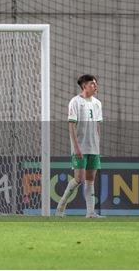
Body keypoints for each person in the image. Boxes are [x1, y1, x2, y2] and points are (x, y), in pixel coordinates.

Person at [56, 74, 104, 218]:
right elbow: (71, 126)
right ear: (84, 86)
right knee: (79, 179)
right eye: (92, 84)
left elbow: (97, 125)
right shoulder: (75, 102)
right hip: (80, 147)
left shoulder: (97, 103)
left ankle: (90, 212)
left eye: (95, 84)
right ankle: (60, 207)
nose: (95, 86)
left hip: (93, 147)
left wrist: (98, 142)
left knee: (90, 180)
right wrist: (76, 147)